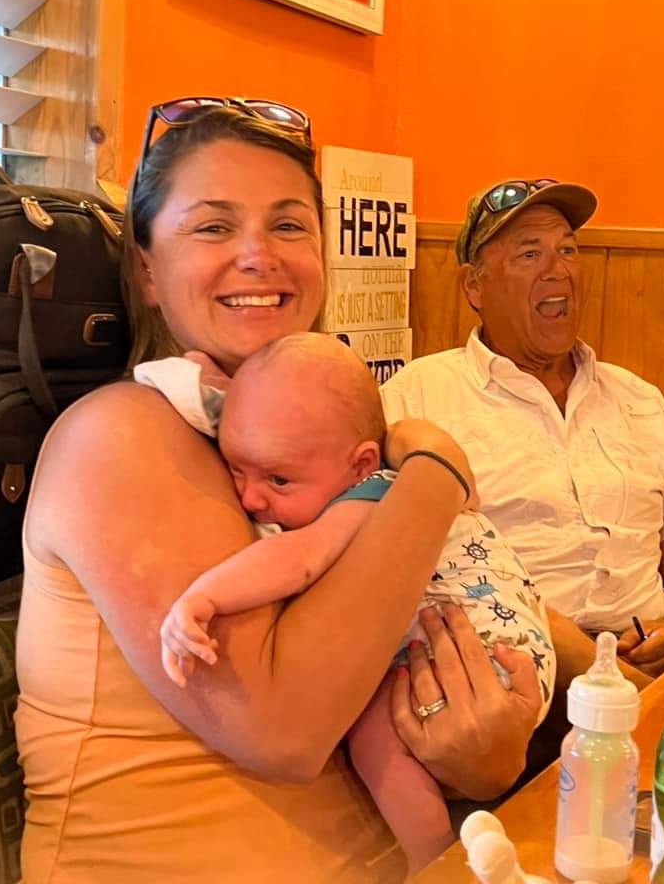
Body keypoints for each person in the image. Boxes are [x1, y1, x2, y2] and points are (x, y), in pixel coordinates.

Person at [14, 102, 542, 884]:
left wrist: (490, 749)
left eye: (289, 225)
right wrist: (437, 468)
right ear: (148, 272)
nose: (259, 255)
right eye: (213, 226)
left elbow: (415, 638)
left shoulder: (310, 442)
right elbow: (283, 728)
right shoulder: (120, 434)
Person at [139, 332, 554, 873]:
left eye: (278, 480)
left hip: (485, 660)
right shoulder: (327, 458)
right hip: (508, 645)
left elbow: (298, 559)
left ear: (361, 464)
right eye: (235, 469)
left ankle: (434, 861)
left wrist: (204, 596)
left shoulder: (373, 493)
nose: (249, 497)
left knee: (373, 734)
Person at [381, 178, 664, 693]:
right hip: (511, 679)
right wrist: (616, 686)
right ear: (474, 287)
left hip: (660, 669)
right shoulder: (415, 400)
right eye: (530, 254)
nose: (558, 270)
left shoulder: (638, 399)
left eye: (568, 250)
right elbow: (399, 573)